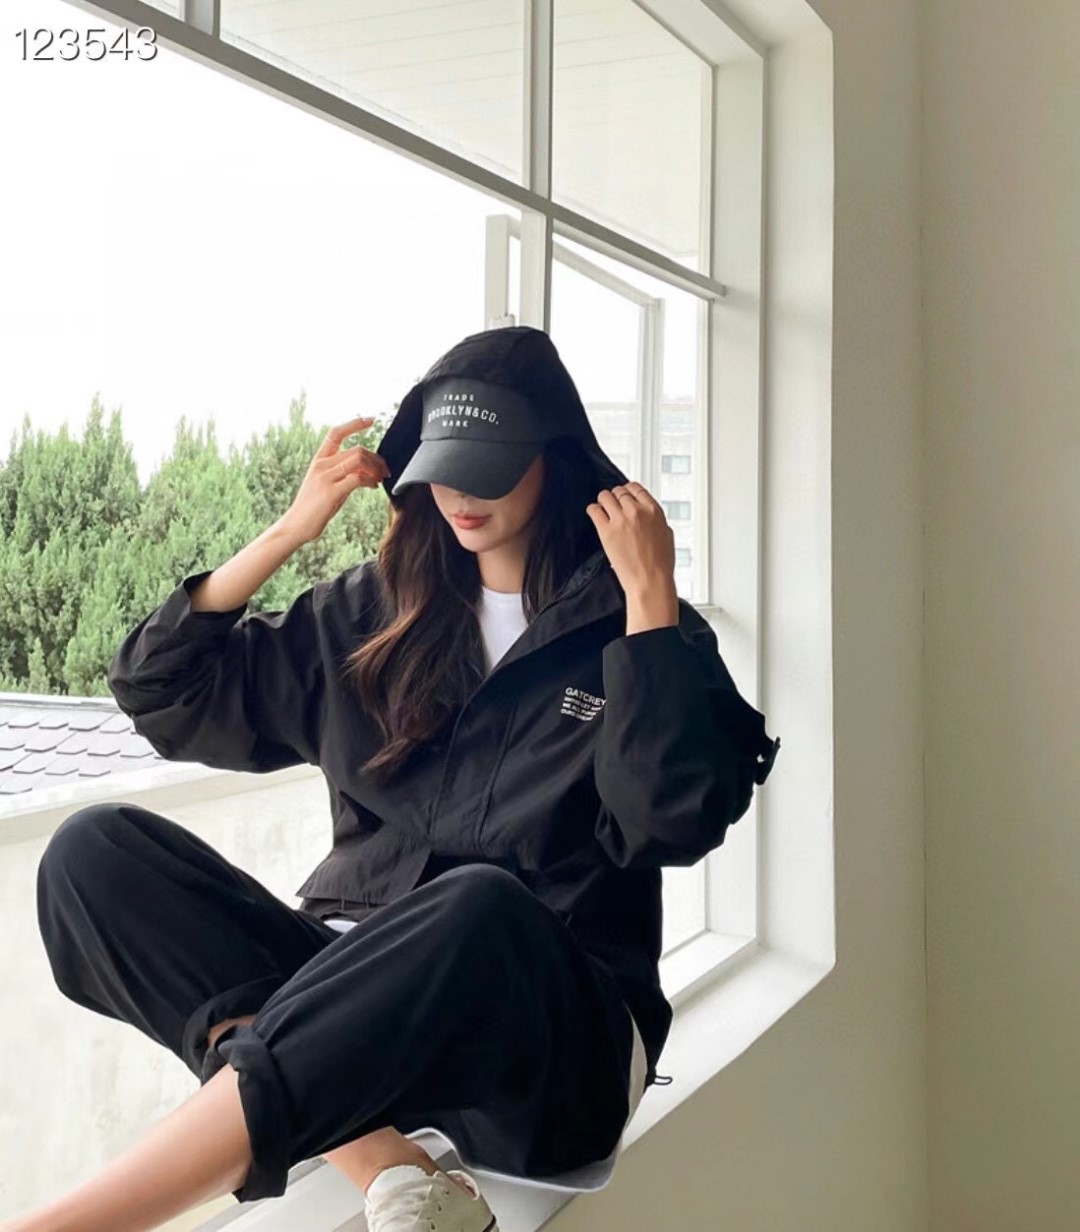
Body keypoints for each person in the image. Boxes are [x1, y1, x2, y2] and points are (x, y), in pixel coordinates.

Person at [16, 325, 779, 1232]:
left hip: (544, 1046)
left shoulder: (645, 631)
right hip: (361, 1009)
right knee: (94, 853)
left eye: (490, 469)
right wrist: (289, 531)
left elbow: (669, 823)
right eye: (445, 469)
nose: (460, 494)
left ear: (557, 460)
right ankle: (388, 1166)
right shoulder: (370, 613)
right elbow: (161, 691)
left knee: (479, 903)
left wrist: (649, 600)